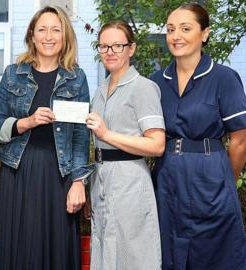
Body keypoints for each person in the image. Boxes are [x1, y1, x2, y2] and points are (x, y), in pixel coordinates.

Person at [150, 3, 246, 270]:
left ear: (205, 33)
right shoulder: (156, 82)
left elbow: (241, 140)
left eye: (186, 28)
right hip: (168, 175)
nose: (176, 36)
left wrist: (223, 182)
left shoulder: (224, 78)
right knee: (168, 248)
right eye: (171, 29)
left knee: (214, 252)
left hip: (212, 176)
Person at [0, 6, 92, 270]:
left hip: (59, 175)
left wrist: (79, 182)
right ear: (32, 36)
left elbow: (81, 137)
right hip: (19, 171)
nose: (49, 36)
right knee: (20, 248)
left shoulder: (77, 78)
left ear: (65, 36)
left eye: (56, 30)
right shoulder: (13, 73)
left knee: (56, 249)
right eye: (42, 29)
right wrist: (27, 122)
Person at [85, 21, 165, 270]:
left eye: (117, 45)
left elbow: (157, 145)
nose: (110, 51)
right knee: (104, 250)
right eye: (104, 46)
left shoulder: (144, 88)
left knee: (134, 256)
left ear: (131, 49)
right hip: (101, 178)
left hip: (130, 181)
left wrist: (107, 134)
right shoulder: (99, 91)